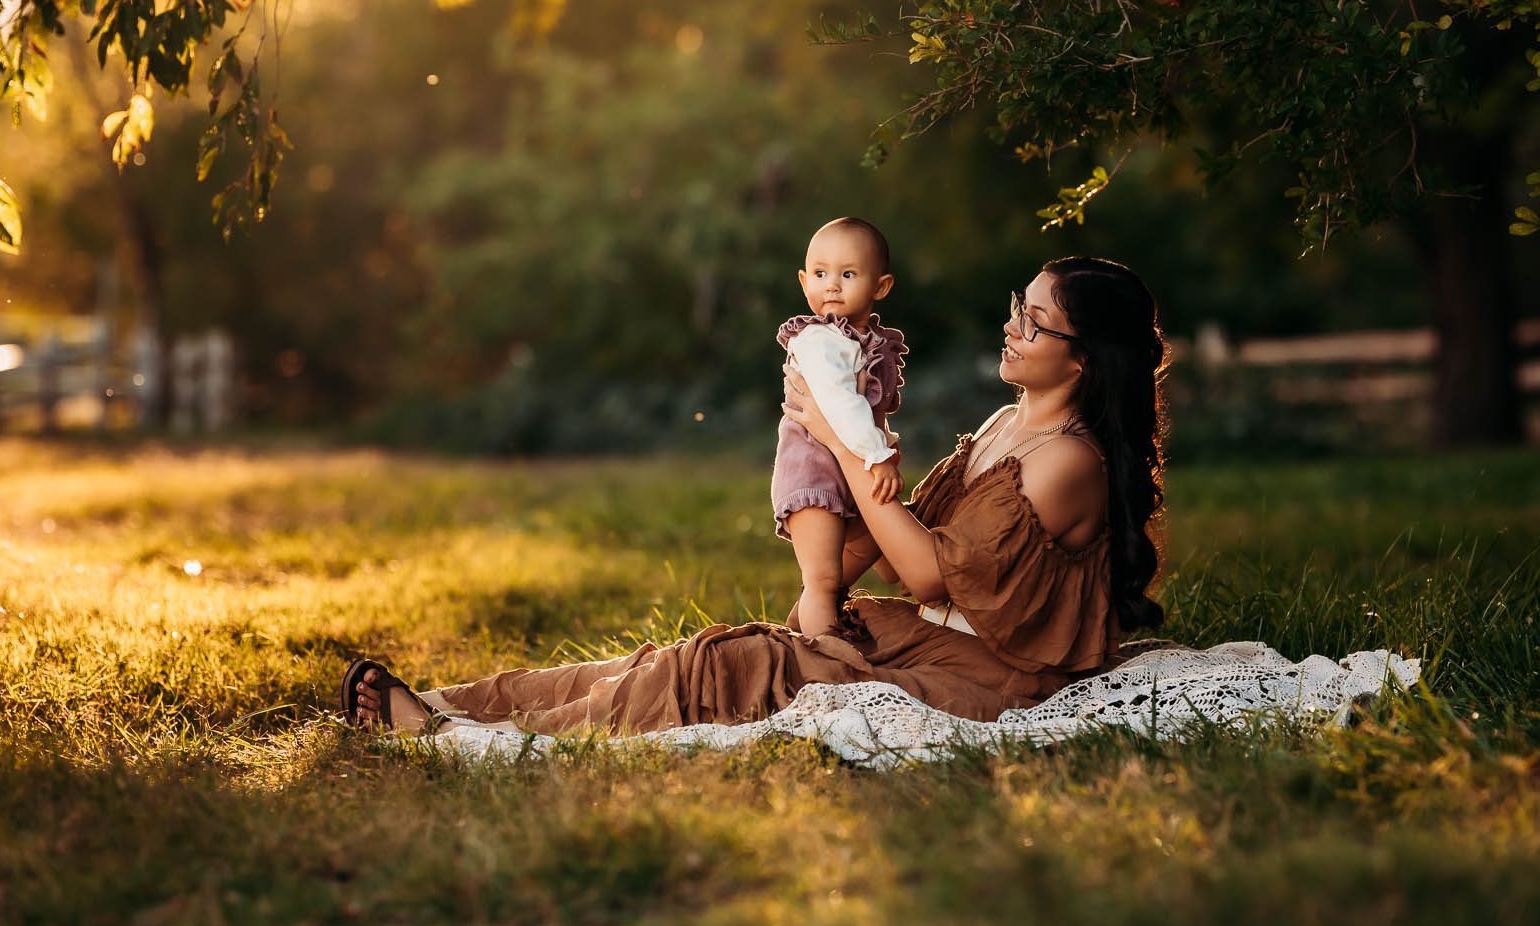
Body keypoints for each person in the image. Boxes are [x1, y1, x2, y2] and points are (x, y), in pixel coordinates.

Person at [343, 257, 1168, 738]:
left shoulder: (1070, 461)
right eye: (1016, 308)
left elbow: (927, 573)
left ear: (1086, 357)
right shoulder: (1003, 423)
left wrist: (843, 438)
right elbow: (897, 531)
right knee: (684, 655)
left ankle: (464, 737)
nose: (1013, 327)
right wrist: (820, 552)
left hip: (988, 680)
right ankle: (457, 706)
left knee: (736, 666)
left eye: (1036, 321)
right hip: (923, 642)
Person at [770, 216, 908, 639]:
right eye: (820, 273)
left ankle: (902, 583)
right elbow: (840, 405)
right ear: (803, 281)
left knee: (872, 551)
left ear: (880, 287)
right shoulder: (819, 340)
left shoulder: (860, 342)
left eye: (847, 274)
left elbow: (868, 413)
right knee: (823, 580)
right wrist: (878, 454)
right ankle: (825, 661)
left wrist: (884, 442)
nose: (831, 284)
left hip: (844, 471)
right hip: (813, 473)